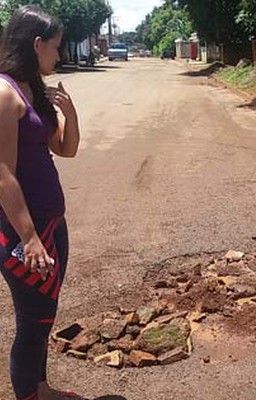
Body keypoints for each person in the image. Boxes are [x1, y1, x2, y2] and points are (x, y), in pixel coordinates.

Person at [0, 6, 82, 400]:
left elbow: (66, 149)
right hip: (23, 233)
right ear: (36, 44)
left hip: (52, 224)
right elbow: (2, 174)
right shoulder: (4, 93)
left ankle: (40, 388)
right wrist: (29, 238)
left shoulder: (35, 90)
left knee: (44, 317)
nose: (58, 56)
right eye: (55, 47)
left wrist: (70, 113)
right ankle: (28, 395)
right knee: (32, 319)